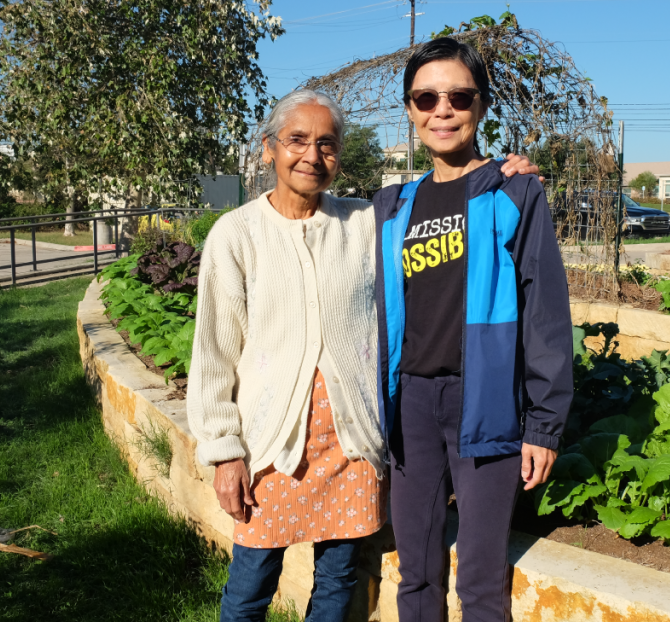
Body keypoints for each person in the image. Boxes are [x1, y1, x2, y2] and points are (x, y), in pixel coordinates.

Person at [186, 88, 542, 622]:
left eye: (327, 144)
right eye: (297, 141)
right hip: (270, 447)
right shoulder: (236, 235)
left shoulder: (364, 223)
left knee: (338, 581)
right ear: (268, 149)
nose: (312, 155)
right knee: (251, 584)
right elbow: (214, 350)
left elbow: (441, 208)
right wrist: (224, 451)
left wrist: (501, 175)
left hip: (351, 445)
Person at [373, 38, 574, 621]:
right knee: (417, 574)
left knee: (482, 582)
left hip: (484, 401)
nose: (443, 110)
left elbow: (545, 313)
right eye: (426, 97)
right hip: (409, 404)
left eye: (458, 96)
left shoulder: (514, 191)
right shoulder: (391, 206)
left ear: (480, 105)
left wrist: (544, 423)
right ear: (410, 110)